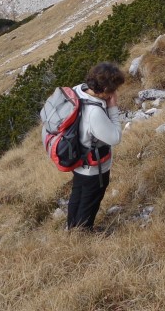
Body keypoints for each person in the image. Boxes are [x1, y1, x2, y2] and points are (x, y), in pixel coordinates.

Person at [67, 62, 125, 230]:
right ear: (105, 89)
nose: (115, 93)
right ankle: (83, 232)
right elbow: (115, 137)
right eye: (113, 89)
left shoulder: (79, 89)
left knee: (77, 193)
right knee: (90, 200)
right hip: (93, 168)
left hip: (77, 158)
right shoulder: (94, 113)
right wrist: (113, 108)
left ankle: (72, 227)